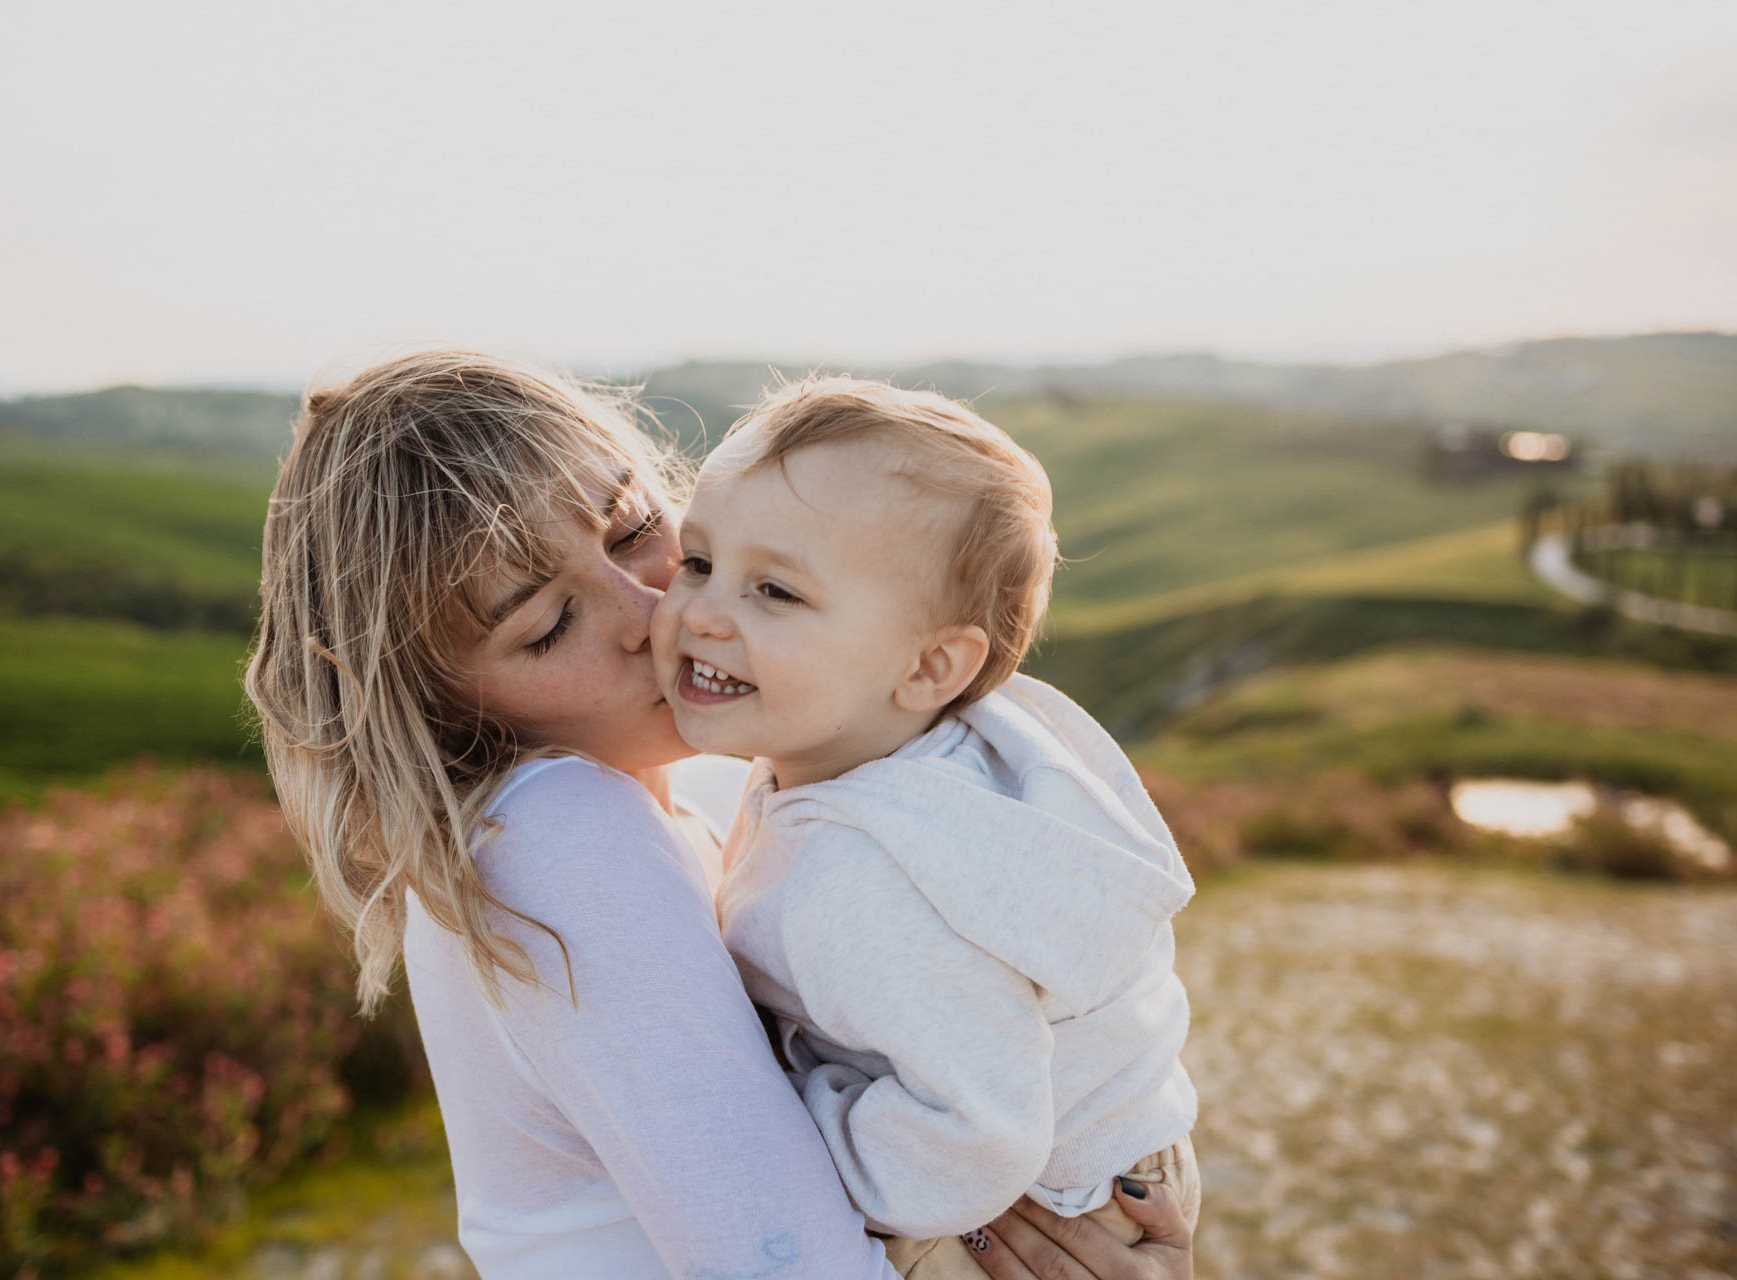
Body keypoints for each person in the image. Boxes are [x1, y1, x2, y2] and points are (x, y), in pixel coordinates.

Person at [244, 350, 1195, 1279]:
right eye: (546, 626)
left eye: (634, 533)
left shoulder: (724, 792)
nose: (654, 610)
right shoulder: (556, 834)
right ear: (437, 708)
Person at [650, 378, 1203, 1279]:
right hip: (1036, 1156)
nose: (702, 613)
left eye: (776, 592)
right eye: (699, 562)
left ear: (931, 665)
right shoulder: (866, 745)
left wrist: (801, 1111)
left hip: (1024, 1207)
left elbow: (976, 1131)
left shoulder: (869, 876)